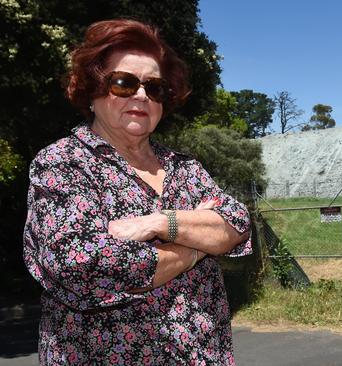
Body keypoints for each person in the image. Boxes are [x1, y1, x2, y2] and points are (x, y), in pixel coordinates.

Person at [23, 19, 251, 365]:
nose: (142, 95)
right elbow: (81, 264)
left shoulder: (185, 168)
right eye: (124, 83)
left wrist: (161, 222)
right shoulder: (63, 163)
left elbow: (235, 224)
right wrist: (196, 249)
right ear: (92, 90)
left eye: (155, 88)